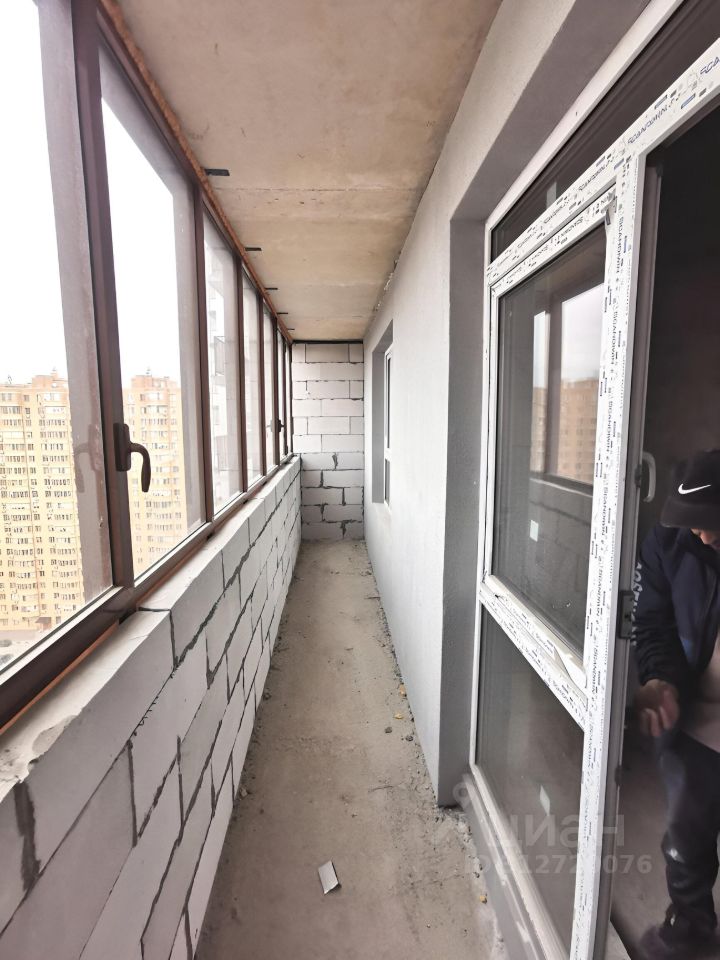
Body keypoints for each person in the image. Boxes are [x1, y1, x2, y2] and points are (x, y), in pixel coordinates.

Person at [634, 449, 720, 959]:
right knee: (686, 833)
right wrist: (660, 679)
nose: (702, 536)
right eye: (692, 523)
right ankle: (691, 922)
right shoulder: (668, 545)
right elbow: (653, 624)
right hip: (701, 715)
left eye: (712, 523)